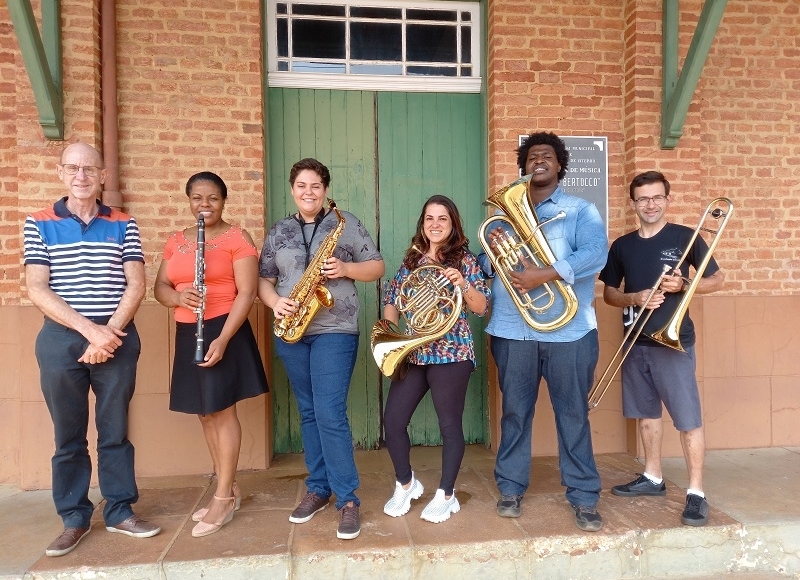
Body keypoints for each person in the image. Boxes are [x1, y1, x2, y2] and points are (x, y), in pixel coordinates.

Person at [23, 142, 160, 557]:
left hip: (117, 337)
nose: (81, 176)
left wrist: (109, 333)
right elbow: (37, 287)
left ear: (102, 176)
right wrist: (90, 332)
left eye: (89, 169)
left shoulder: (123, 223)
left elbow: (135, 283)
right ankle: (74, 517)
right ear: (61, 173)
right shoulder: (39, 223)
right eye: (73, 168)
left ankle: (120, 511)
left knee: (115, 430)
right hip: (61, 340)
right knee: (68, 435)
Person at [479, 131, 608, 531]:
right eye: (532, 155)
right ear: (524, 164)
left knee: (573, 413)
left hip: (568, 332)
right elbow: (485, 266)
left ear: (559, 164)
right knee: (515, 413)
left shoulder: (579, 210)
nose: (539, 160)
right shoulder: (503, 219)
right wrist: (493, 254)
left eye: (547, 155)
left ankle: (584, 496)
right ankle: (511, 487)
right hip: (511, 329)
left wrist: (544, 275)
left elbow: (596, 253)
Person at [258, 158, 384, 540]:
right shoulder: (279, 230)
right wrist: (274, 303)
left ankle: (348, 499)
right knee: (310, 412)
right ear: (292, 188)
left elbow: (376, 266)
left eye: (315, 185)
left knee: (329, 412)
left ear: (325, 189)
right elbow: (266, 280)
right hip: (292, 331)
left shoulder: (345, 223)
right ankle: (318, 488)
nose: (308, 192)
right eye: (301, 185)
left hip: (335, 329)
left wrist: (346, 270)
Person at [599, 170, 724, 527]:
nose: (650, 204)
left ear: (667, 199)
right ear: (633, 203)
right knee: (647, 414)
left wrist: (686, 283)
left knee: (687, 417)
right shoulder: (622, 245)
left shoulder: (686, 237)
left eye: (656, 197)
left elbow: (717, 279)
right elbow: (609, 293)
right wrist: (635, 297)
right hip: (635, 339)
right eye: (643, 198)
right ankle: (652, 477)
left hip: (674, 341)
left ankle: (696, 491)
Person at [154, 171, 268, 537]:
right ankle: (228, 485)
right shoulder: (176, 242)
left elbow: (247, 293)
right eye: (197, 198)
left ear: (224, 200)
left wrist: (223, 339)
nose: (205, 205)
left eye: (213, 198)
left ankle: (222, 498)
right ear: (188, 200)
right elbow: (160, 286)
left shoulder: (237, 238)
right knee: (205, 412)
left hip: (224, 328)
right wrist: (177, 297)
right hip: (189, 330)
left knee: (222, 409)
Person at [381, 195, 490, 523]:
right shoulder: (413, 259)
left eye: (442, 218)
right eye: (429, 218)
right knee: (393, 421)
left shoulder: (465, 260)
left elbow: (481, 307)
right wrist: (390, 332)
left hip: (452, 353)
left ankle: (446, 493)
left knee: (448, 426)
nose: (435, 224)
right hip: (415, 351)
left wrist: (463, 284)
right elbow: (393, 298)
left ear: (453, 223)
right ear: (423, 223)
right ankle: (406, 483)